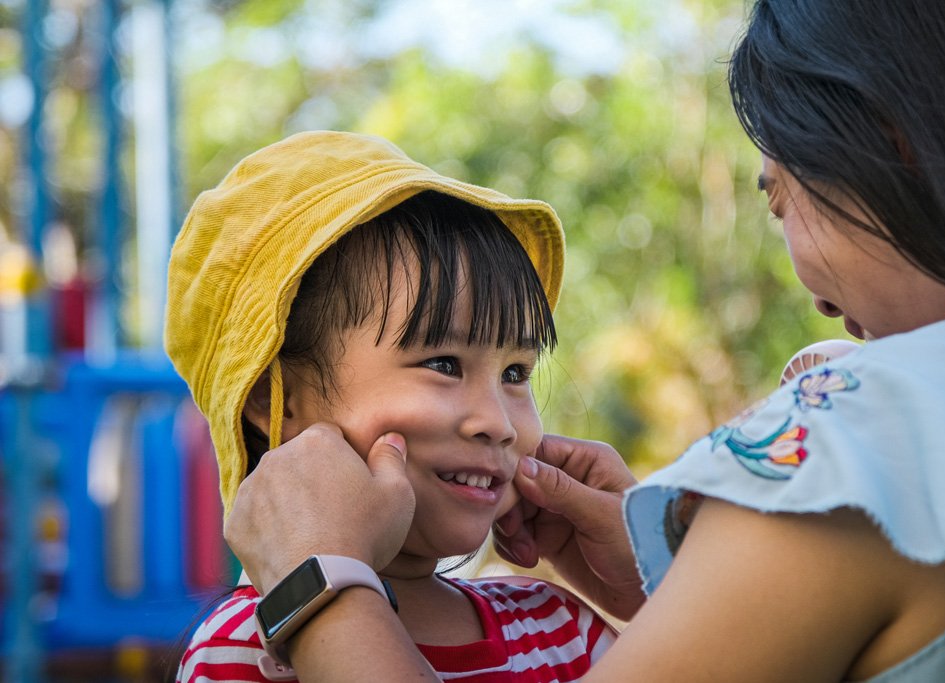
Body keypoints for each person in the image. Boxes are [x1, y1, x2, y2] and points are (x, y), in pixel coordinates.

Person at [222, 1, 945, 681]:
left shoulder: (873, 438)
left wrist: (320, 588)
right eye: (440, 360)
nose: (808, 286)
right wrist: (689, 586)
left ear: (891, 146)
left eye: (779, 194)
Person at [167, 131, 616, 682]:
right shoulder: (246, 652)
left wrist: (655, 567)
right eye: (444, 364)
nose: (498, 424)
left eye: (515, 373)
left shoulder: (561, 629)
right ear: (273, 400)